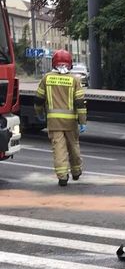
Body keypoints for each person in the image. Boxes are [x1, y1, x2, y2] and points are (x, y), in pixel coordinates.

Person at [34, 49, 88, 186]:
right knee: (74, 147)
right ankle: (76, 171)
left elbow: (39, 99)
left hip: (54, 122)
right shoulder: (74, 80)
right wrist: (82, 121)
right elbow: (80, 103)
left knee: (59, 149)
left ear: (54, 63)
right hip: (71, 122)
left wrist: (39, 113)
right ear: (70, 63)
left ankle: (62, 177)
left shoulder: (47, 78)